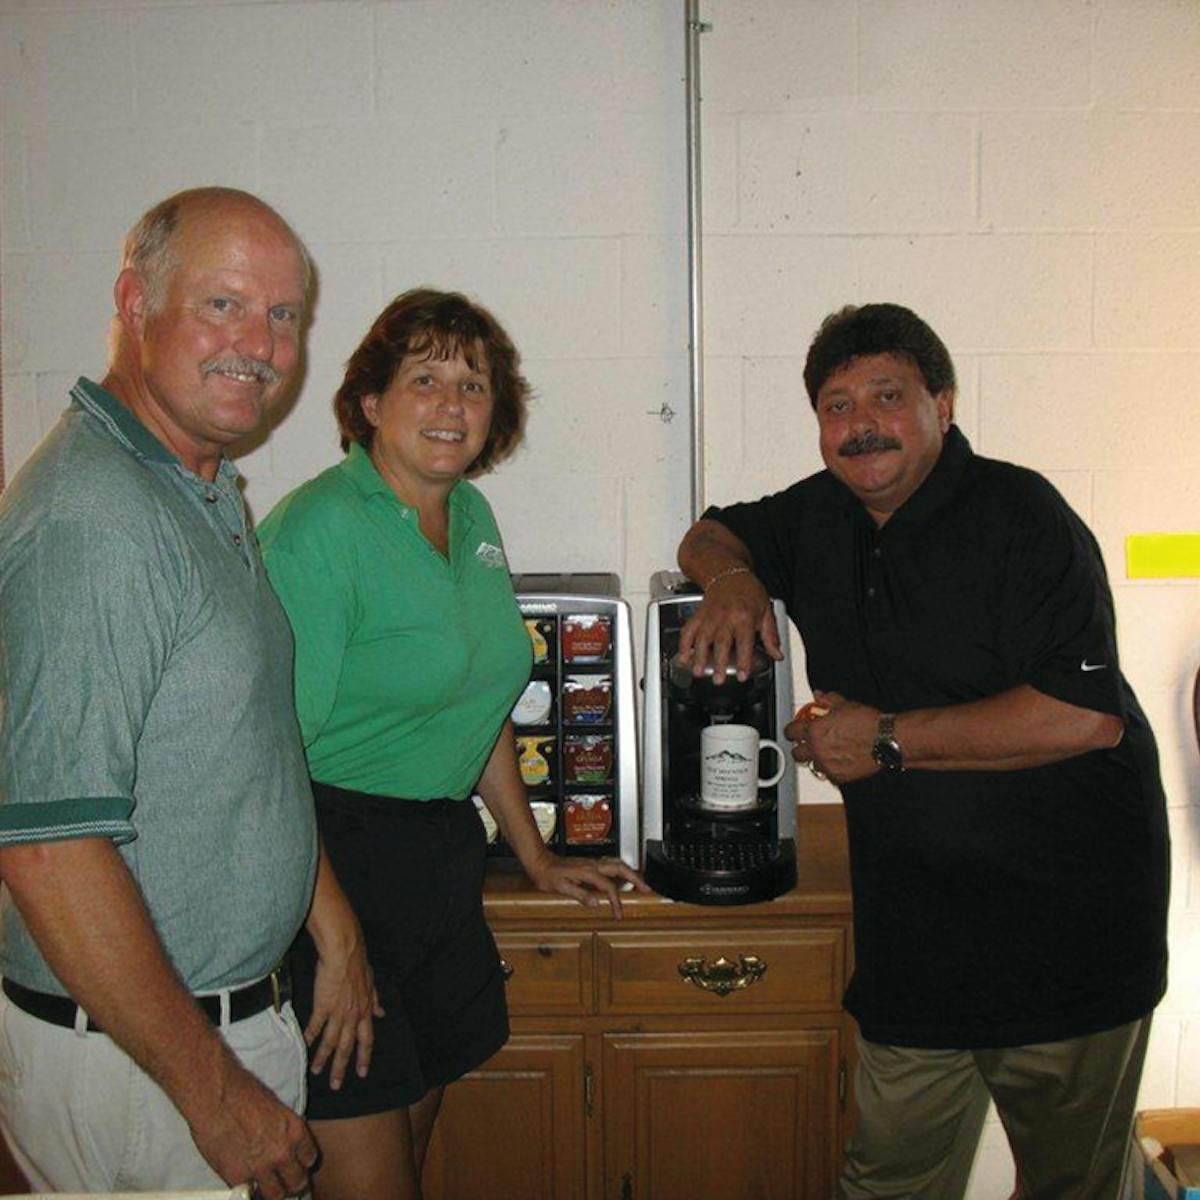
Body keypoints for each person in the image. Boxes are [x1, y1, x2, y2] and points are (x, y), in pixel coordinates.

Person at [677, 303, 1169, 1200]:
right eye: (835, 404)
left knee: (1076, 1188)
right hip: (917, 946)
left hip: (1070, 938)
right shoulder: (819, 514)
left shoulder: (1024, 517)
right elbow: (710, 532)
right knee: (887, 1183)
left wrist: (884, 738)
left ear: (942, 403)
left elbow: (1081, 716)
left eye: (888, 395)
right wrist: (738, 582)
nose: (860, 423)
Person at [0, 186, 373, 1200]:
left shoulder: (196, 487)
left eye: (283, 314)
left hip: (210, 1029)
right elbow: (46, 845)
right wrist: (214, 1093)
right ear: (135, 300)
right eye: (224, 305)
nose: (258, 341)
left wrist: (330, 929)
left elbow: (237, 751)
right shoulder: (97, 520)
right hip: (151, 1068)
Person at [257, 287, 648, 1200]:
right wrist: (339, 945)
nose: (451, 405)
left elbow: (477, 710)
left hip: (437, 863)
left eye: (472, 385)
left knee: (413, 1143)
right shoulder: (318, 532)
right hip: (327, 863)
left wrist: (536, 855)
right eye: (423, 379)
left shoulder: (468, 518)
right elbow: (267, 763)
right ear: (368, 403)